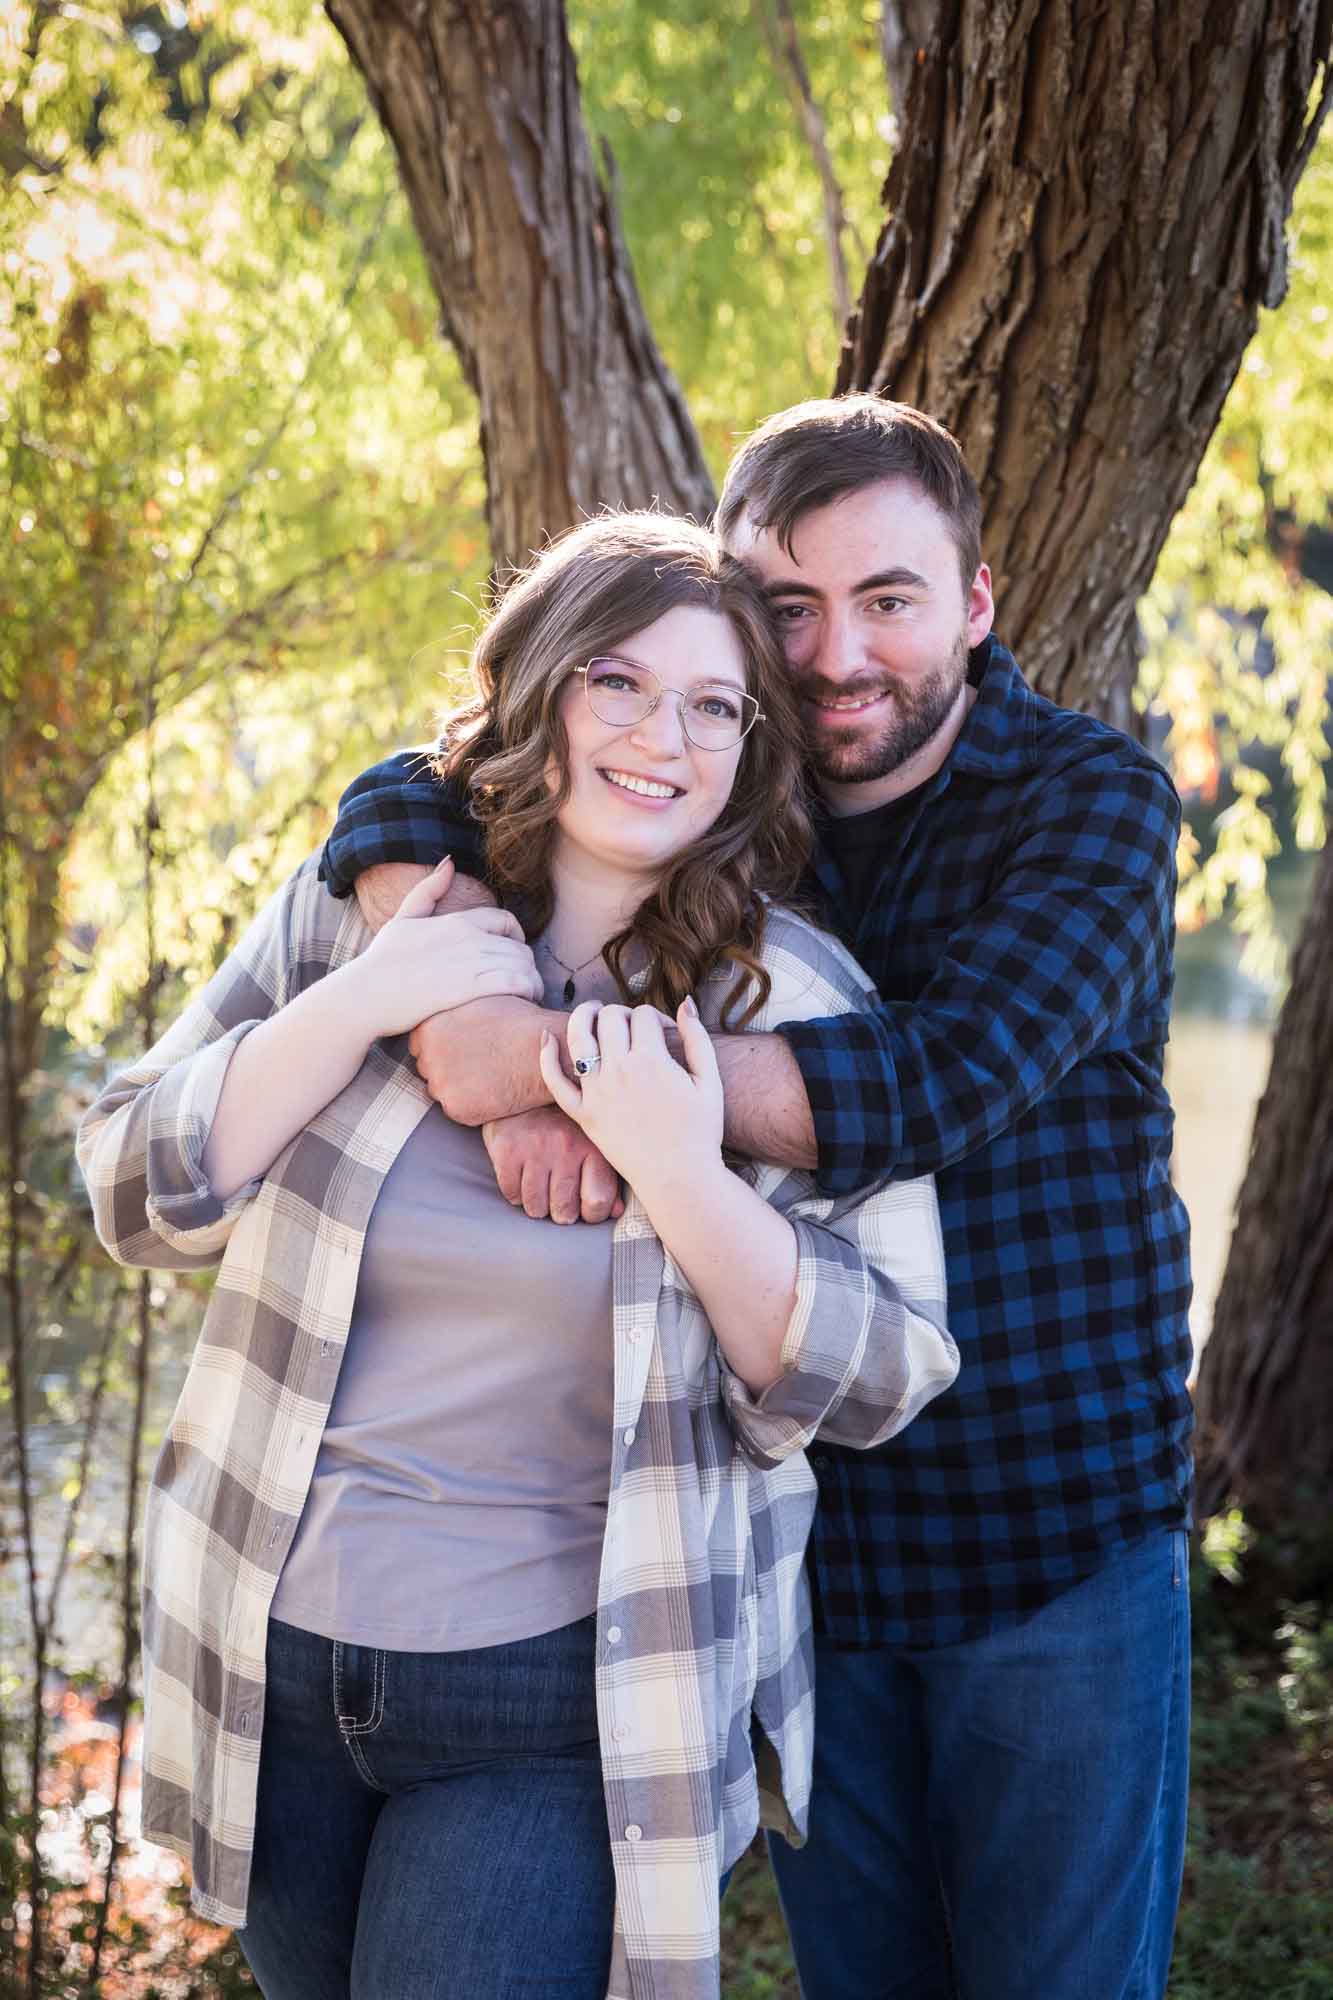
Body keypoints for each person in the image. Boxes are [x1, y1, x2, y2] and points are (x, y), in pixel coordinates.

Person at [321, 398, 1195, 2000]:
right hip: (798, 1551)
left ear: (976, 604)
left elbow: (926, 1089)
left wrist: (550, 1066)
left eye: (886, 600)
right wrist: (446, 1000)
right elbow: (420, 786)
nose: (834, 652)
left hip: (1051, 1543)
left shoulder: (1091, 807)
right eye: (785, 606)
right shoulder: (722, 795)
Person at [76, 512, 957, 2000]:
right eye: (615, 683)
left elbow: (885, 1372)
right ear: (536, 693)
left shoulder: (796, 1001)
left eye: (712, 706)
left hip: (558, 1695)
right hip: (274, 1657)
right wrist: (368, 1003)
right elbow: (131, 1190)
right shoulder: (365, 914)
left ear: (751, 747)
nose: (659, 737)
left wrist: (681, 1169)